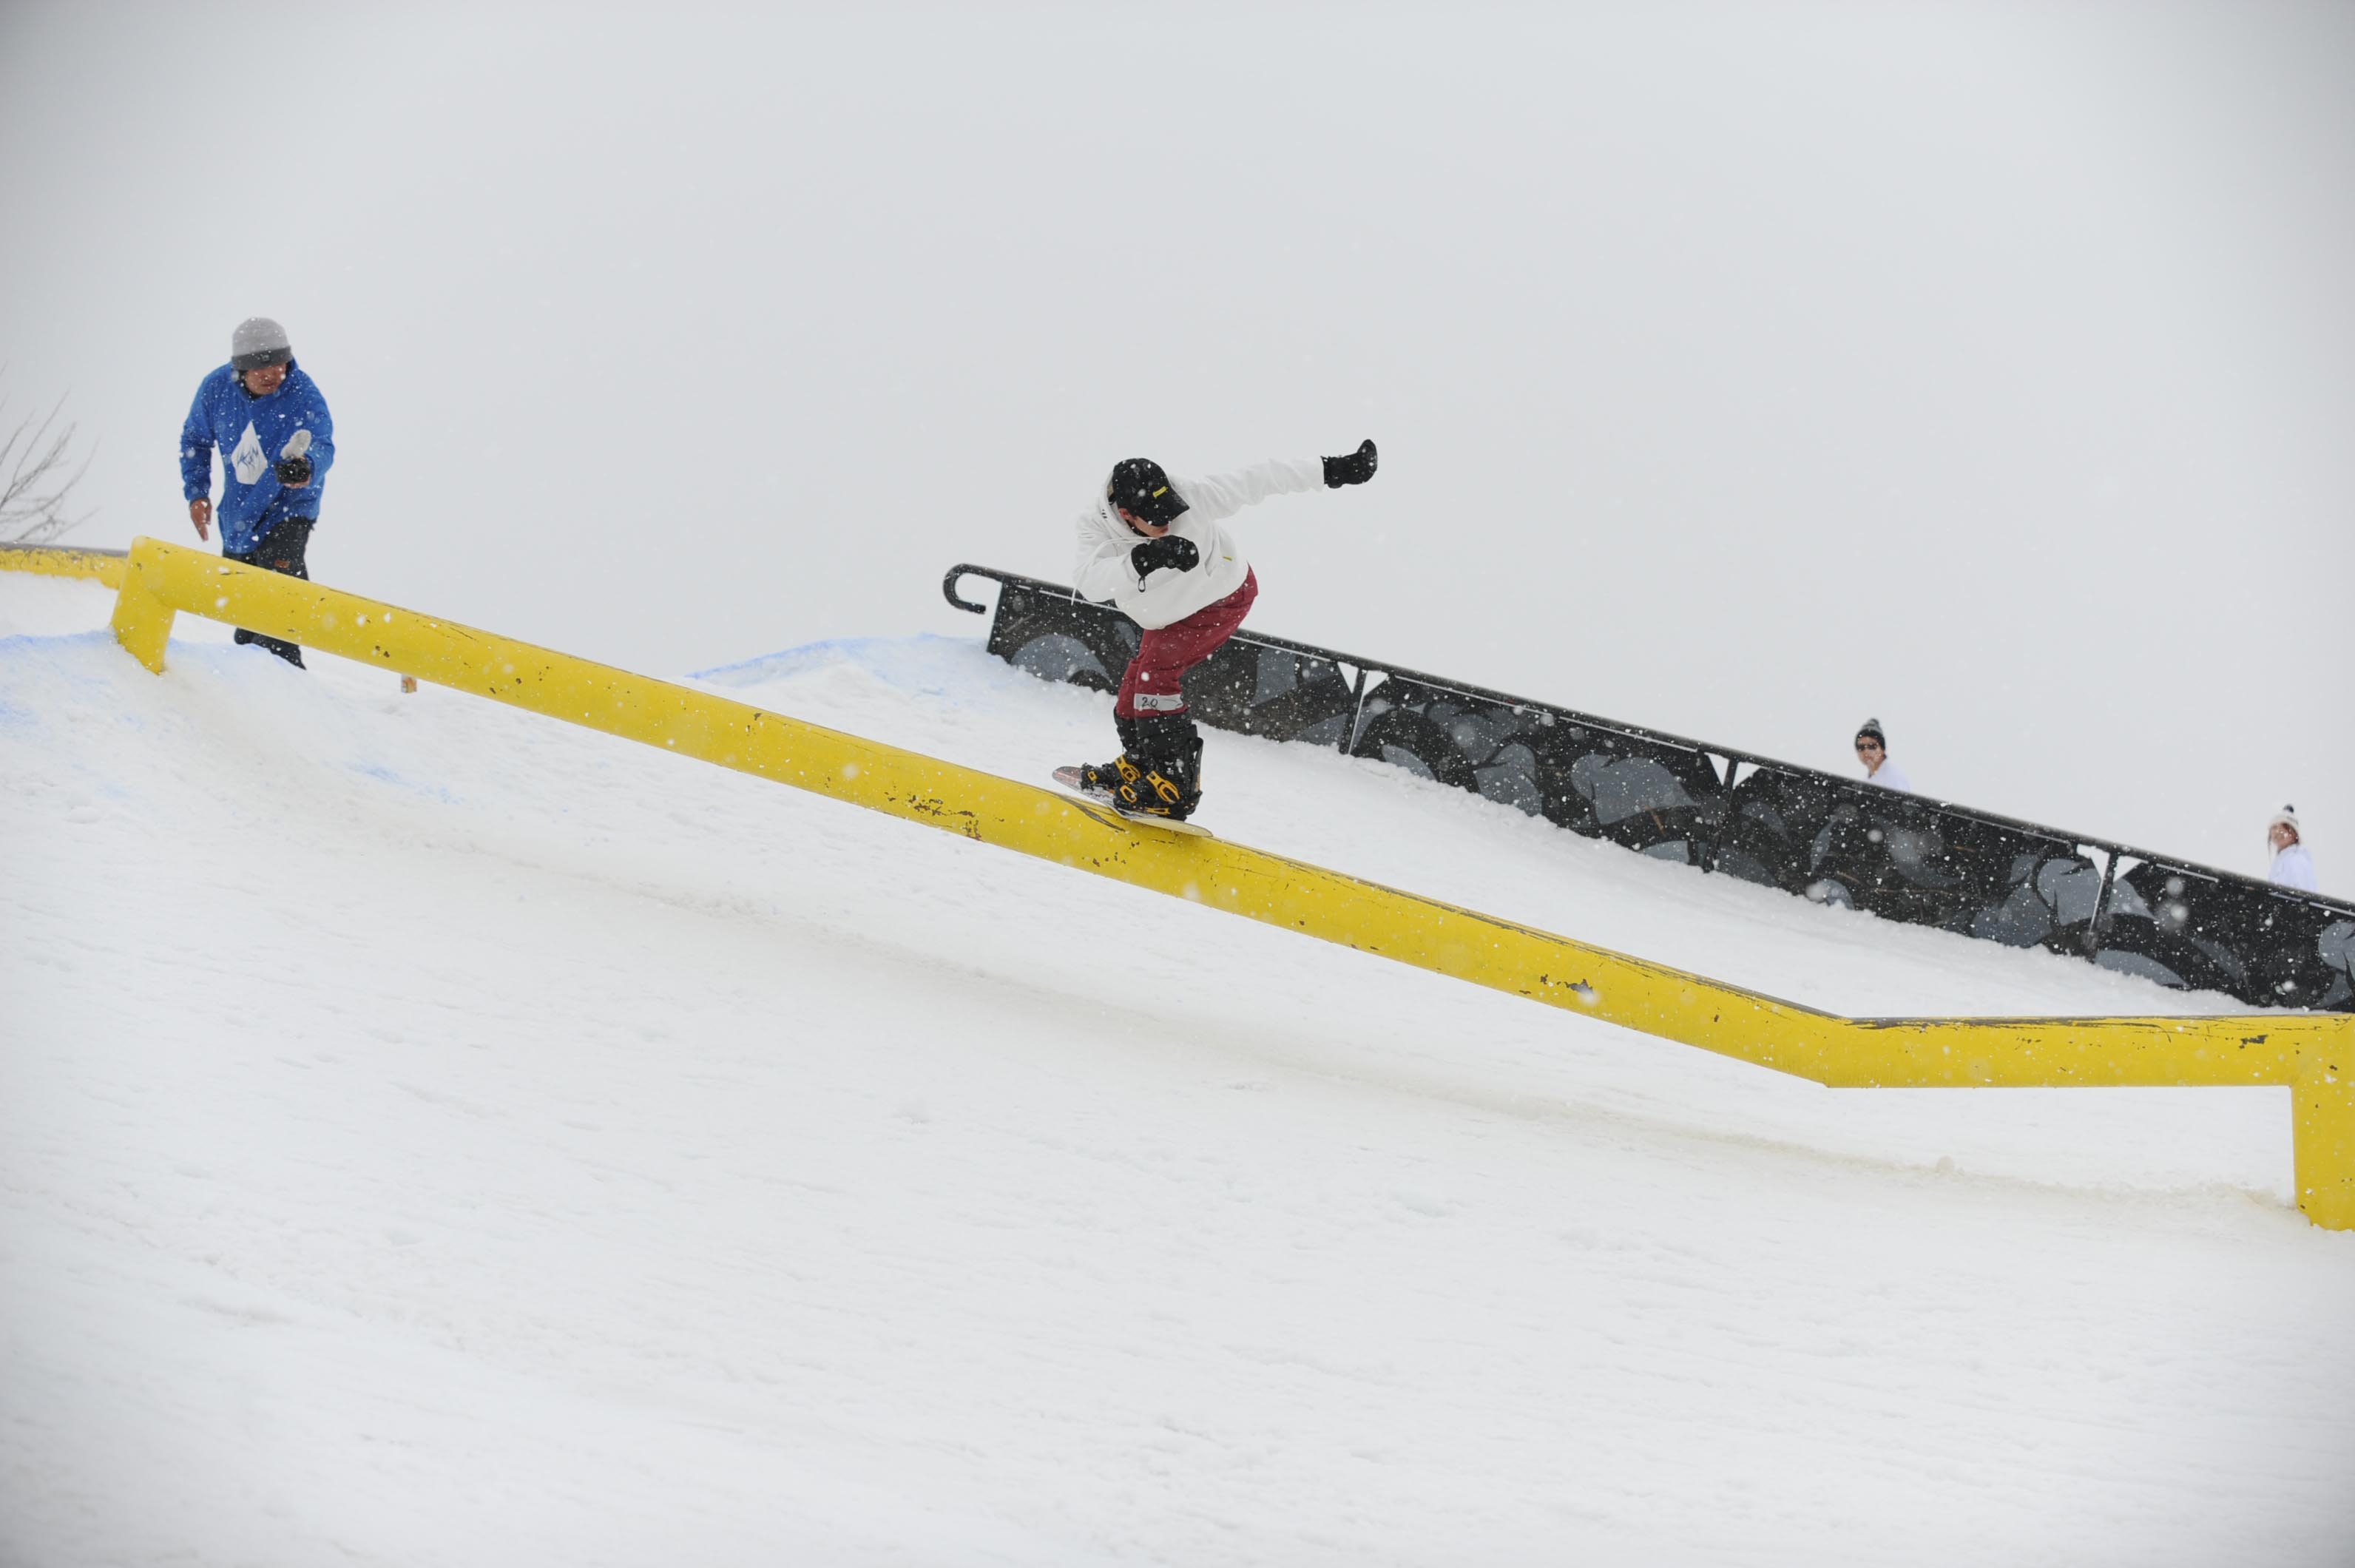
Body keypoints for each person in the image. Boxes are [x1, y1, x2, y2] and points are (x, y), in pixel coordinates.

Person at [1056, 440, 1379, 820]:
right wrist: (1144, 559)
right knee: (1134, 684)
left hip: (1222, 596)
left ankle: (1175, 785)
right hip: (1167, 614)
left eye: (1170, 512)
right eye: (1157, 520)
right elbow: (1090, 582)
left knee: (1154, 677)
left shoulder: (1191, 495)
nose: (1168, 523)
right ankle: (1142, 765)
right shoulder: (1094, 528)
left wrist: (1333, 470)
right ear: (1126, 514)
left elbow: (1260, 479)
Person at [180, 317, 334, 667]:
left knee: (279, 602)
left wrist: (306, 466)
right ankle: (249, 681)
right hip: (238, 514)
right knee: (245, 615)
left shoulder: (303, 394)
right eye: (260, 367)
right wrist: (197, 493)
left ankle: (287, 676)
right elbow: (195, 440)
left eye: (279, 363)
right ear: (241, 368)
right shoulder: (216, 389)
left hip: (289, 509)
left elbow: (323, 444)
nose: (271, 374)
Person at [2268, 805, 2320, 892]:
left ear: (2295, 833)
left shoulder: (2297, 861)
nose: (2278, 832)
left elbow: (2303, 895)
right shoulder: (2280, 862)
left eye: (2285, 827)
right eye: (2275, 827)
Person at [1854, 717, 1912, 793]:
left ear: (1883, 749)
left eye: (1872, 746)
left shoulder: (1894, 778)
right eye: (1861, 747)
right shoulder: (1867, 780)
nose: (1866, 751)